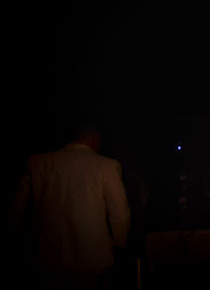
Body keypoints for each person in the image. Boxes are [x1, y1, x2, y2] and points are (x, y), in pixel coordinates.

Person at [12, 119, 131, 289]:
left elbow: (16, 209)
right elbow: (120, 213)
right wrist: (119, 242)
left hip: (47, 259)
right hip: (92, 260)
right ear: (94, 137)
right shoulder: (107, 166)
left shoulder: (37, 163)